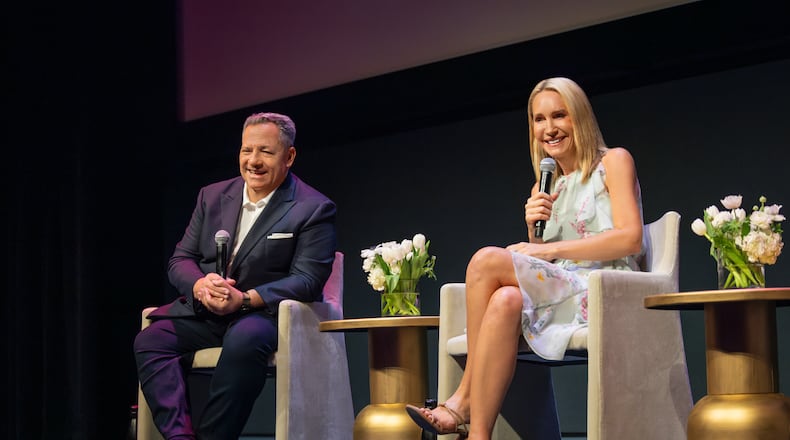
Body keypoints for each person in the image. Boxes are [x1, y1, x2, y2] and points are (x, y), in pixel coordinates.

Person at [406, 77, 643, 439]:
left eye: (559, 115)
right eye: (539, 119)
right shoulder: (545, 187)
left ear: (579, 117)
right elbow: (546, 259)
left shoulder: (613, 162)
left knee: (486, 260)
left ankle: (463, 396)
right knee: (505, 300)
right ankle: (480, 434)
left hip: (602, 289)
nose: (549, 129)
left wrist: (545, 249)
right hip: (560, 290)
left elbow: (630, 238)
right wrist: (535, 233)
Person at [134, 112, 337, 440]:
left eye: (266, 152)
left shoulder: (312, 207)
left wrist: (244, 299)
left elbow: (308, 279)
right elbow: (181, 259)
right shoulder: (211, 196)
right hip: (206, 311)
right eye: (246, 151)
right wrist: (200, 285)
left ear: (289, 157)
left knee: (244, 341)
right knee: (150, 340)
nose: (253, 161)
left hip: (261, 315)